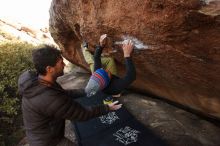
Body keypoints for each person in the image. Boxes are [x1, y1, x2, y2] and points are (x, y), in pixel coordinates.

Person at [18, 45, 122, 146]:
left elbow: (64, 93)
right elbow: (82, 114)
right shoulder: (49, 98)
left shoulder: (40, 82)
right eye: (60, 62)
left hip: (43, 135)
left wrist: (85, 91)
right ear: (49, 69)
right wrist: (107, 108)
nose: (64, 65)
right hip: (48, 142)